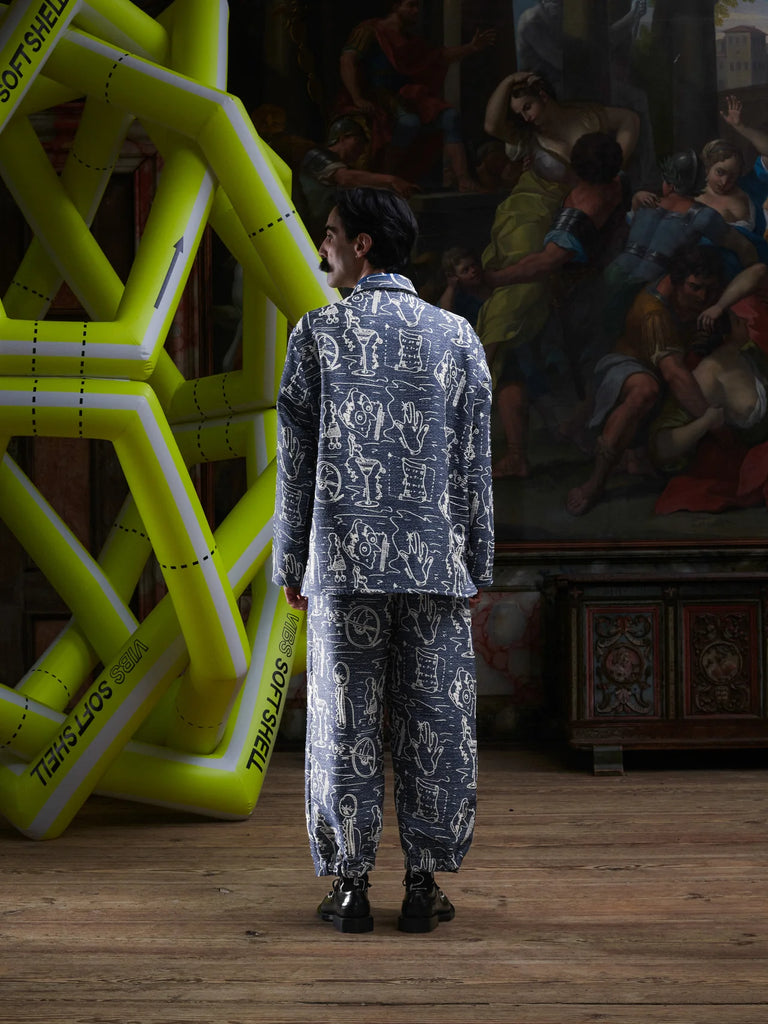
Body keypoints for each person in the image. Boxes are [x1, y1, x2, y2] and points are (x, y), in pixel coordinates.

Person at [272, 187, 494, 934]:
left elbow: (295, 464)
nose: (323, 247)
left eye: (330, 234)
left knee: (344, 726)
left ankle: (350, 889)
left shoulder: (316, 334)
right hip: (435, 567)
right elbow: (473, 464)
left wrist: (291, 563)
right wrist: (478, 562)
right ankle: (423, 888)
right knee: (435, 724)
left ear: (362, 244)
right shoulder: (456, 336)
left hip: (345, 565)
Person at [476, 71, 639, 476]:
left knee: (530, 301)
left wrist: (618, 162)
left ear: (545, 96)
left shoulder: (589, 120)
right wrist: (509, 79)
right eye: (519, 111)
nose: (525, 117)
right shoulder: (529, 139)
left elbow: (630, 120)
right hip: (529, 213)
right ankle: (484, 361)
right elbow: (492, 125)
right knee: (517, 297)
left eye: (528, 106)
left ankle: (484, 370)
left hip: (565, 230)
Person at [565, 245, 727, 516]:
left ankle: (637, 457)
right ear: (677, 280)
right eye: (695, 287)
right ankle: (595, 483)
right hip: (626, 365)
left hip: (667, 368)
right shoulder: (653, 311)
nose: (703, 296)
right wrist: (714, 423)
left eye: (709, 289)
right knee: (644, 391)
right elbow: (674, 373)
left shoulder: (702, 296)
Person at [338, 0, 495, 190]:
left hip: (407, 96)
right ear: (396, 6)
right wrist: (357, 98)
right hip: (379, 97)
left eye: (418, 6)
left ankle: (463, 178)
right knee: (409, 122)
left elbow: (438, 56)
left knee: (450, 116)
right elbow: (348, 60)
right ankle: (387, 177)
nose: (416, 11)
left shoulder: (410, 40)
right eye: (411, 5)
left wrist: (470, 48)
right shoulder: (370, 30)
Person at [298, 115, 417, 240]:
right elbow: (345, 178)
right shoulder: (316, 156)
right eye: (359, 142)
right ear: (343, 138)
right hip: (309, 233)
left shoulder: (347, 169)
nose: (362, 150)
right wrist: (391, 181)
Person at [438, 245, 491, 328]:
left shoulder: (491, 280)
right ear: (454, 276)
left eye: (473, 265)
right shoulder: (458, 299)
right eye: (466, 270)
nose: (473, 270)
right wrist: (451, 287)